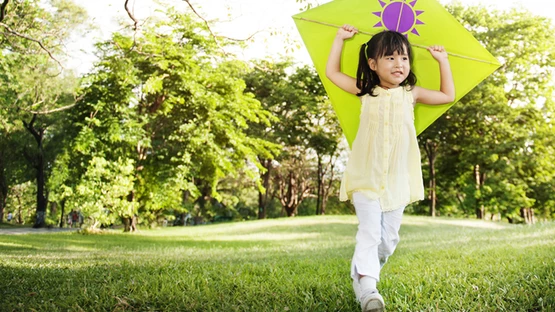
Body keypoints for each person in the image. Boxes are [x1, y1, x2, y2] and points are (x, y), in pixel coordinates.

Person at [326, 25, 454, 312]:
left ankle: (362, 273)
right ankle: (369, 291)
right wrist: (339, 39)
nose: (399, 64)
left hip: (398, 178)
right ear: (373, 64)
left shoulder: (411, 93)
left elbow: (447, 95)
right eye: (390, 58)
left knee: (388, 240)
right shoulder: (366, 90)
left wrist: (442, 61)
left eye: (404, 58)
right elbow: (332, 74)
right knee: (369, 233)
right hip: (366, 175)